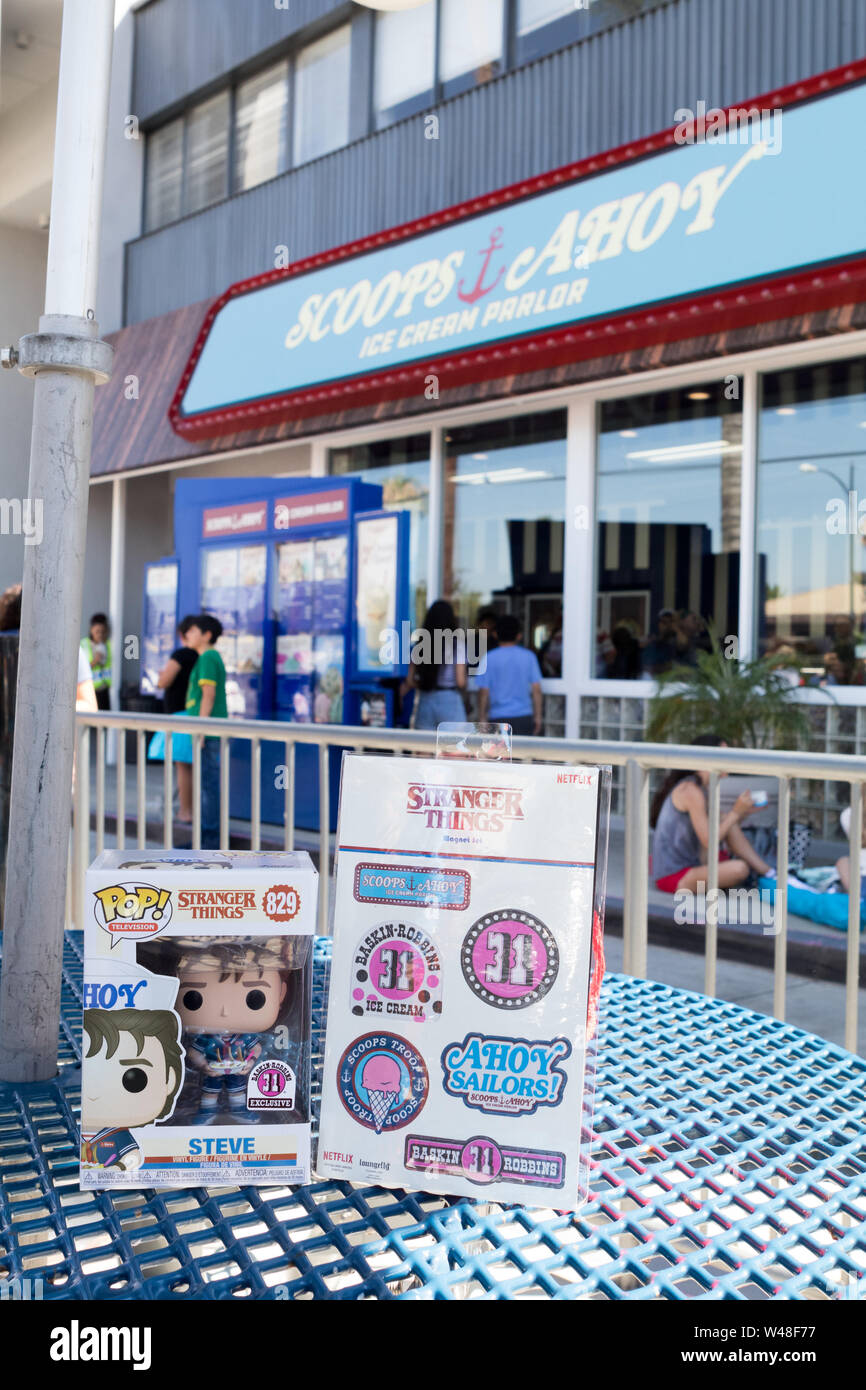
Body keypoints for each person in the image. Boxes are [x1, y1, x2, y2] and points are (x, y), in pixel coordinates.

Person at [650, 733, 771, 894]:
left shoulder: (701, 788)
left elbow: (724, 827)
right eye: (723, 756)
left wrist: (742, 812)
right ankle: (769, 873)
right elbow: (709, 840)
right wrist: (735, 812)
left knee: (726, 820)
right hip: (673, 876)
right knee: (740, 869)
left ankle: (769, 872)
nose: (728, 761)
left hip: (693, 863)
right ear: (705, 757)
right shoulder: (690, 790)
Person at [184, 615, 227, 849]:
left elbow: (208, 695)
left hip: (207, 734)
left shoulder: (209, 657)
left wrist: (200, 730)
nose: (187, 635)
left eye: (192, 631)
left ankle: (209, 842)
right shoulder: (207, 658)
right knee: (207, 786)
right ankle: (204, 839)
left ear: (206, 634)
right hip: (206, 733)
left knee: (209, 788)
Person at [156, 616, 198, 823]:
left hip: (180, 716)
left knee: (183, 766)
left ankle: (185, 811)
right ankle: (190, 809)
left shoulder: (182, 654)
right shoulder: (203, 656)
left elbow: (163, 681)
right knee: (193, 765)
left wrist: (162, 675)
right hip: (195, 715)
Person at [404, 599, 467, 731]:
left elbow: (410, 680)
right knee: (452, 748)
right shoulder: (457, 645)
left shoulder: (420, 645)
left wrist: (424, 685)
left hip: (426, 699)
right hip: (449, 699)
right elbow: (461, 681)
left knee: (424, 749)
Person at [476, 614, 543, 736]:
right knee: (522, 754)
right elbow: (536, 690)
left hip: (497, 717)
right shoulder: (529, 657)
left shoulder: (488, 658)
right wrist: (538, 717)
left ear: (495, 634)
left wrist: (482, 717)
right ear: (519, 636)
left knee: (500, 754)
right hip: (523, 716)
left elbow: (483, 692)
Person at [81, 614, 112, 711]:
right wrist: (95, 661)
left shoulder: (108, 644)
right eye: (97, 631)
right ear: (91, 630)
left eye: (103, 632)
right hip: (90, 690)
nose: (100, 635)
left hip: (105, 689)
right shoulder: (84, 644)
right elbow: (80, 669)